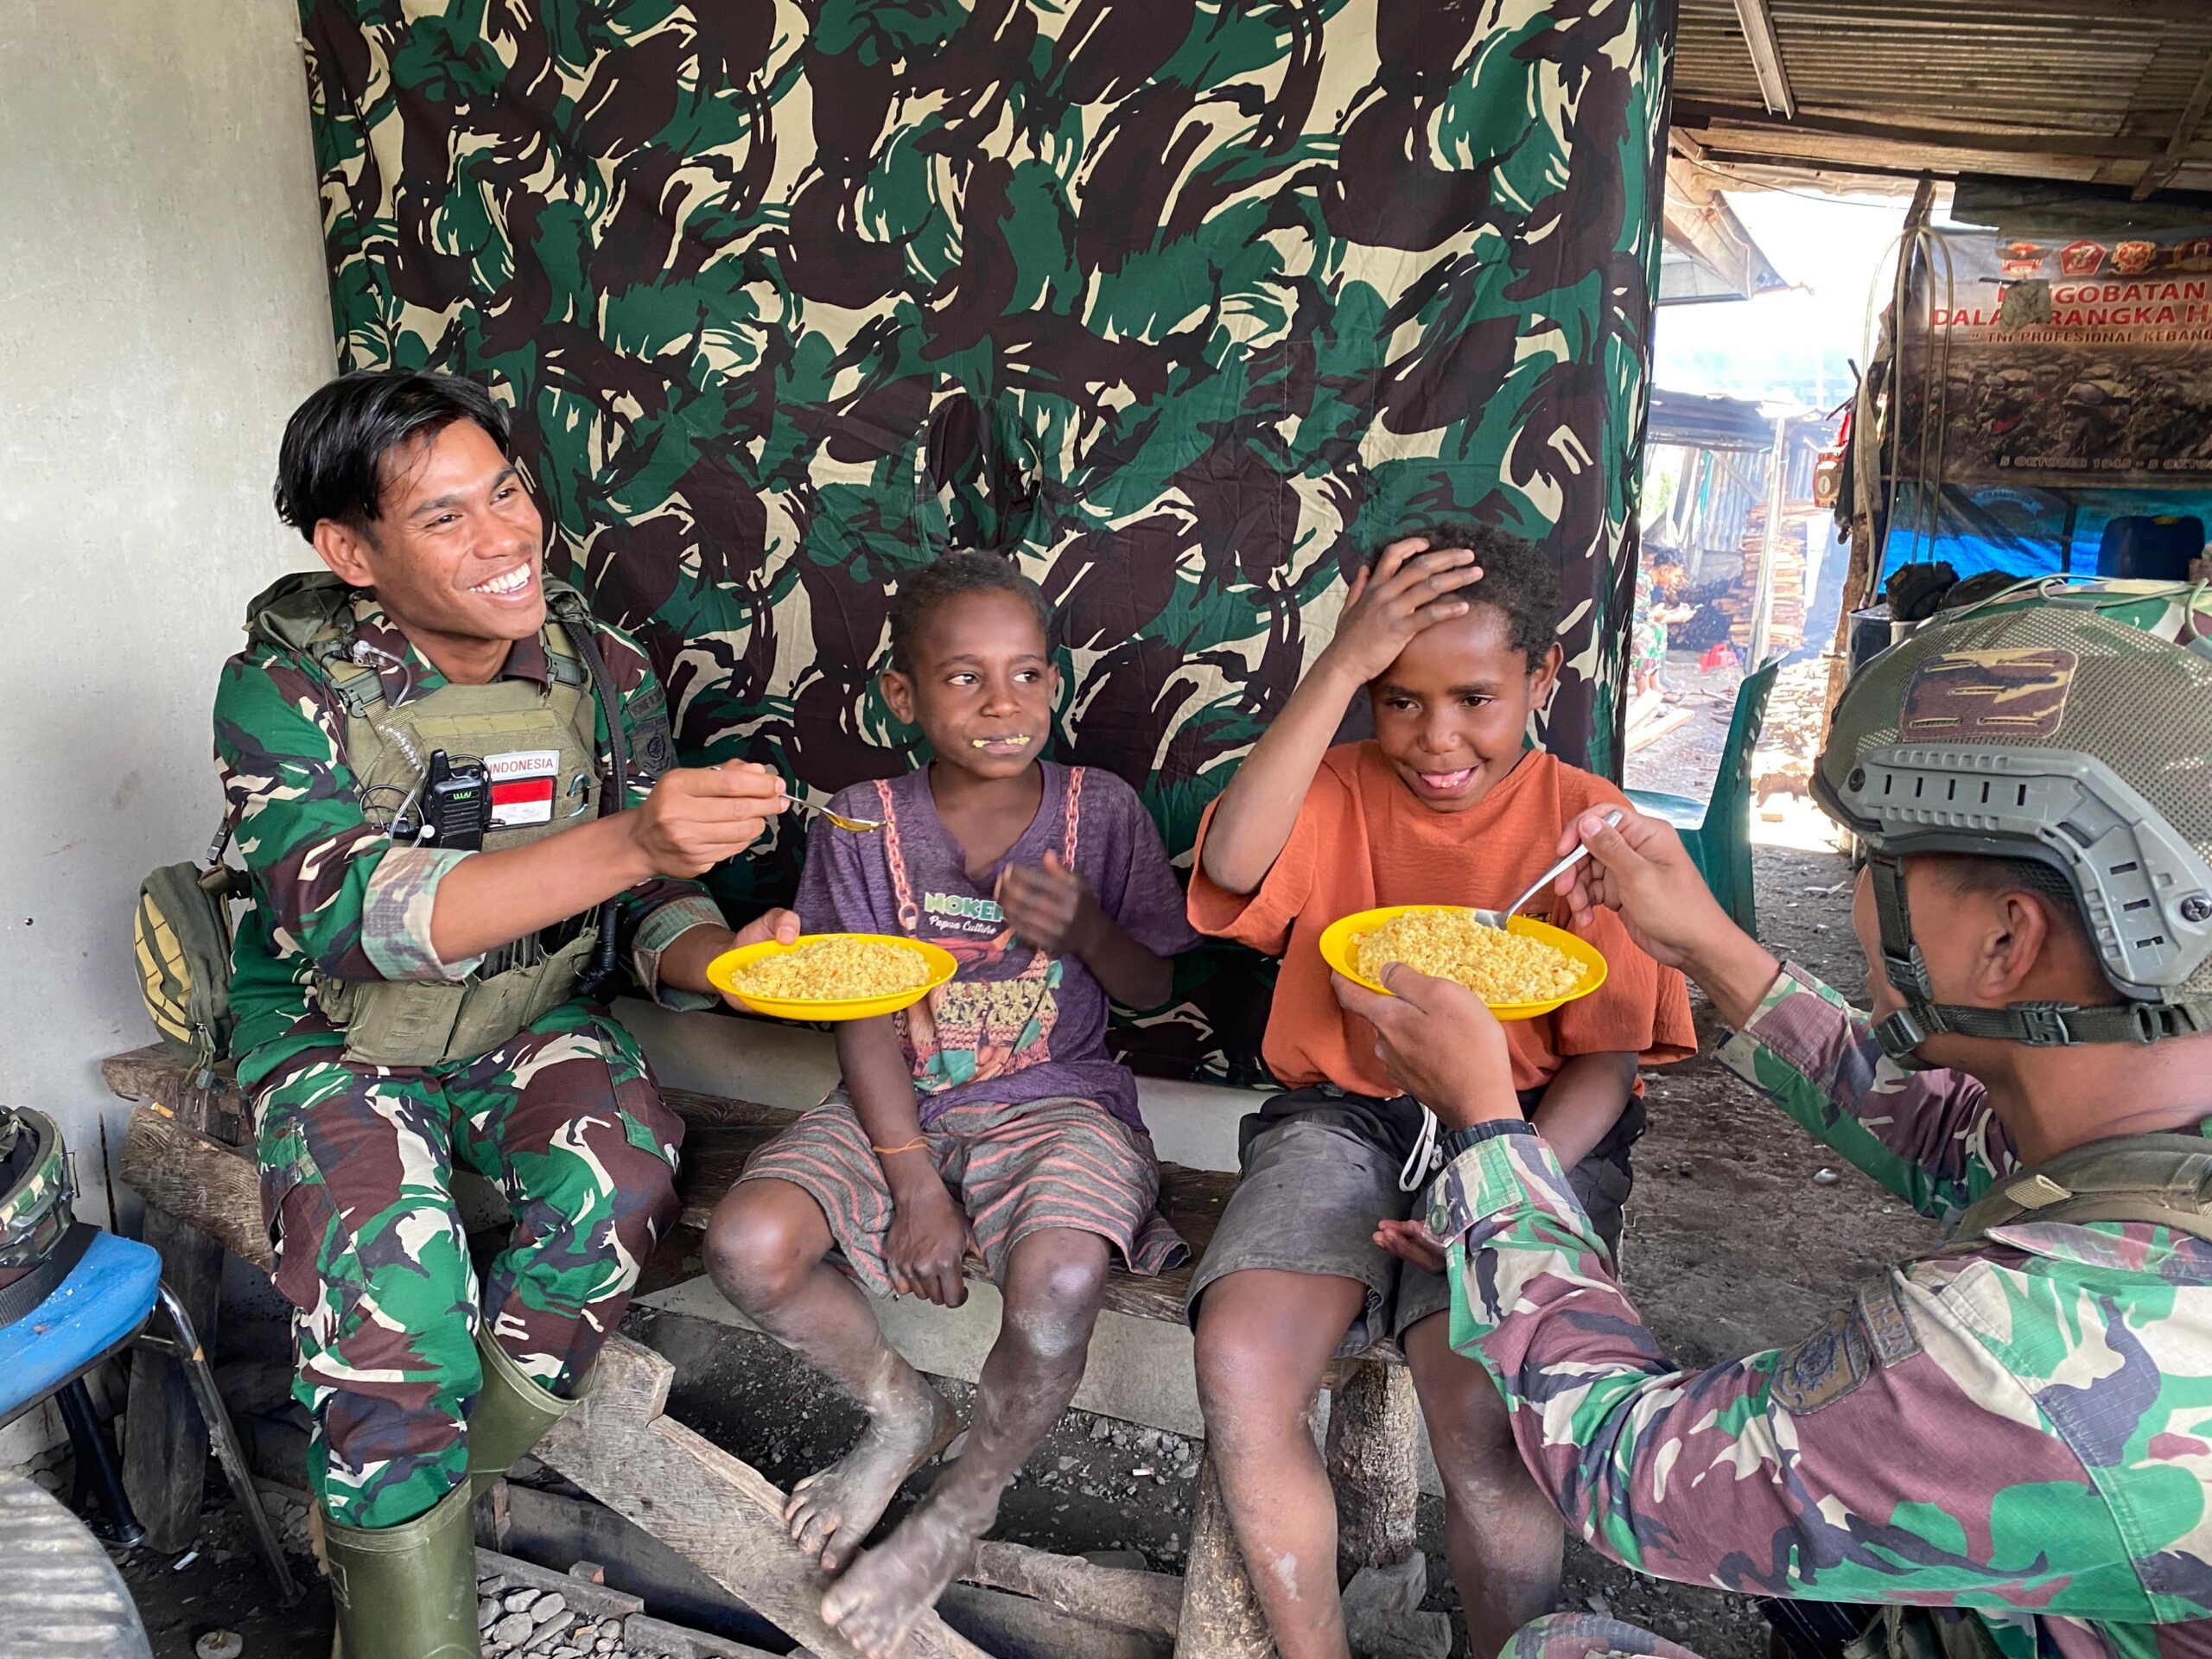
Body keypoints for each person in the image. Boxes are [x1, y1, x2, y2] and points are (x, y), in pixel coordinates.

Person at [1336, 603, 2212, 1659]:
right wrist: (1706, 943)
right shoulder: (2152, 1130)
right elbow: (1950, 1139)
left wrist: (1483, 1130)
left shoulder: (2029, 1352)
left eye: (1875, 867)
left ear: (2005, 940)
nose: (1856, 896)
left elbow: (1626, 1469)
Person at [218, 370, 798, 1659]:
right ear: (351, 551)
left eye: (509, 492)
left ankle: (409, 1504)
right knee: (390, 1309)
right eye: (445, 519)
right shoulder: (282, 692)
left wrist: (718, 961)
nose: (505, 538)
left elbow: (652, 909)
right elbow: (356, 919)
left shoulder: (599, 667)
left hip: (527, 1017)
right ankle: (412, 1616)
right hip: (341, 1034)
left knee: (622, 1183)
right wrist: (633, 843)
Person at [1183, 527, 1695, 1659]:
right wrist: (1335, 668)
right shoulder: (1337, 788)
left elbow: (1607, 1062)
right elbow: (1228, 870)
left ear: (1542, 678)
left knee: (1488, 1431)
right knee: (1241, 1365)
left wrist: (1499, 1185)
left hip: (1527, 1134)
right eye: (1398, 700)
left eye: (1473, 696)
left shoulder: (1592, 828)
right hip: (1345, 1116)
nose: (1435, 737)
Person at [703, 550, 1197, 1659]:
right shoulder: (864, 822)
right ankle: (897, 1410)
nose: (1001, 706)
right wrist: (914, 1179)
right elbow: (856, 1008)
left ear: (1058, 681)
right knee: (746, 1243)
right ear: (902, 696)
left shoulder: (1100, 812)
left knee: (1061, 1281)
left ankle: (963, 1504)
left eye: (1027, 675)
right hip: (894, 1103)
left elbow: (1154, 986)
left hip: (1058, 1104)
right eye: (964, 678)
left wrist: (1086, 932)